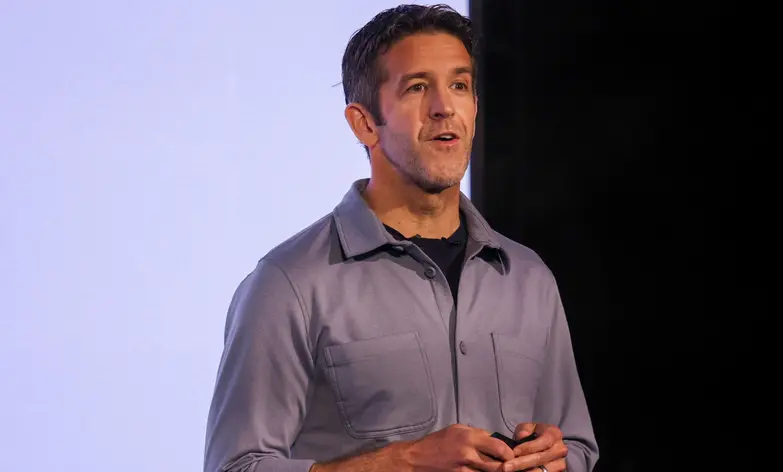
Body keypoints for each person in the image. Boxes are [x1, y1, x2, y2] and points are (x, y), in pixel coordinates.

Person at [203, 4, 598, 472]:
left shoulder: (528, 278)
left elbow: (578, 448)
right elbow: (236, 466)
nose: (444, 107)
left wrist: (554, 458)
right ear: (364, 123)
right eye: (417, 87)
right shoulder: (290, 283)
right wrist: (403, 462)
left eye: (459, 85)